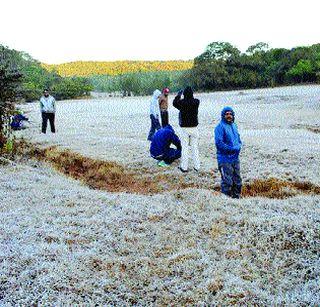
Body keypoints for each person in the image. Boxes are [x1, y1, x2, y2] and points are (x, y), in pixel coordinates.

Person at [214, 106, 242, 198]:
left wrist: (239, 146)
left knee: (237, 181)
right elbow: (219, 143)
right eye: (226, 114)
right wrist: (232, 149)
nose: (229, 116)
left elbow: (238, 139)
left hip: (235, 158)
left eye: (230, 114)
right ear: (223, 116)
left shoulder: (234, 125)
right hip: (224, 159)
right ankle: (226, 202)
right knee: (227, 182)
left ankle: (236, 199)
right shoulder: (219, 127)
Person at [173, 86, 200, 172]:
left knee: (184, 148)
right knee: (194, 147)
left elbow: (174, 103)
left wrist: (178, 95)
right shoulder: (196, 102)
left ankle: (184, 167)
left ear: (184, 94)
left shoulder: (181, 103)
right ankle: (197, 166)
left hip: (184, 128)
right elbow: (193, 100)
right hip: (194, 128)